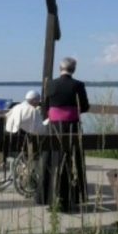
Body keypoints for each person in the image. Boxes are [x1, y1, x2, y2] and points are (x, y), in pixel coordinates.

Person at [36, 57, 90, 212]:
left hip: (53, 128)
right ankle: (74, 197)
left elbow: (45, 106)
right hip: (71, 127)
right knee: (71, 160)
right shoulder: (78, 85)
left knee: (51, 160)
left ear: (60, 69)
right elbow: (84, 106)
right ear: (73, 69)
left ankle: (46, 196)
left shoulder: (51, 84)